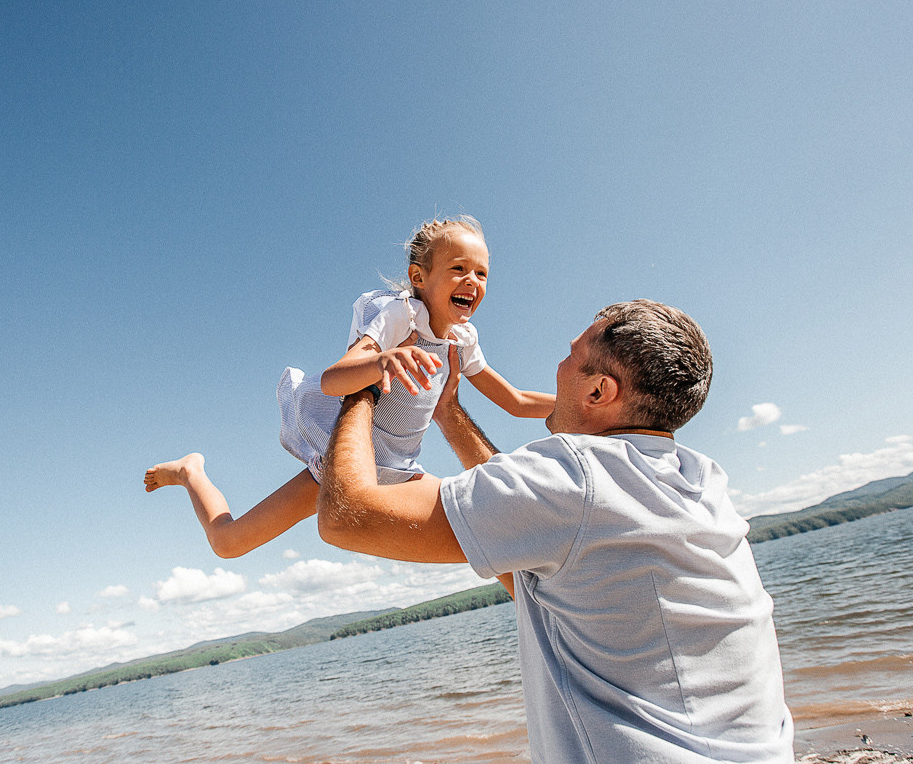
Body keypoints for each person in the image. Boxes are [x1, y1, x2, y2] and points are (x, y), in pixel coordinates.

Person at [316, 299, 795, 763]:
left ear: (598, 392)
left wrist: (367, 382)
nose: (559, 367)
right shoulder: (699, 479)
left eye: (571, 356)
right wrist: (449, 413)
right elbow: (535, 550)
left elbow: (345, 515)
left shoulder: (575, 477)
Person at [143, 215, 554, 561]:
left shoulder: (463, 340)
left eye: (481, 273)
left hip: (402, 472)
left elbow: (515, 401)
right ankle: (190, 471)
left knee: (494, 533)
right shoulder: (401, 317)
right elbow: (334, 378)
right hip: (342, 465)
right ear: (419, 277)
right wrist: (382, 360)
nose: (472, 281)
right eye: (459, 269)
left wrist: (588, 407)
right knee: (229, 543)